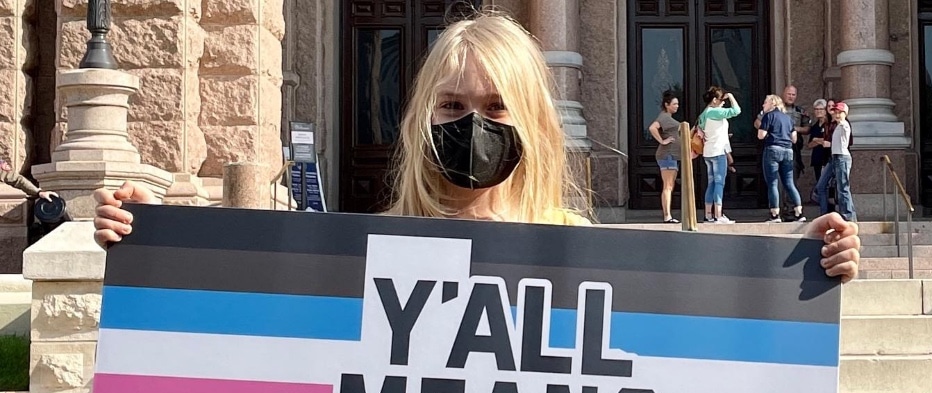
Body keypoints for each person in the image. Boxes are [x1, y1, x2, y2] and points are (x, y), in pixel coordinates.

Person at [94, 11, 861, 282]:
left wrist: (810, 264)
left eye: (496, 107)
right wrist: (153, 238)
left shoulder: (582, 253)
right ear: (421, 118)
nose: (472, 124)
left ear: (531, 121)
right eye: (452, 105)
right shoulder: (363, 249)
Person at [757, 94, 805, 223]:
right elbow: (794, 139)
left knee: (773, 183)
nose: (763, 105)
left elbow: (761, 135)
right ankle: (799, 213)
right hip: (788, 151)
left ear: (773, 103)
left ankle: (775, 214)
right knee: (789, 183)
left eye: (765, 102)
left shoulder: (768, 116)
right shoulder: (788, 118)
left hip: (773, 149)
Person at [697, 86, 740, 224]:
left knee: (711, 183)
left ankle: (708, 214)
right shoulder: (715, 112)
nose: (723, 103)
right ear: (715, 100)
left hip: (708, 152)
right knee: (719, 183)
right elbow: (736, 111)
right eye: (722, 100)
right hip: (718, 151)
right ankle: (718, 215)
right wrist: (732, 96)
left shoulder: (704, 114)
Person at [648, 91, 681, 223]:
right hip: (668, 155)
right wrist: (662, 141)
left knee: (670, 185)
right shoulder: (664, 117)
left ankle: (668, 215)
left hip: (672, 155)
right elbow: (652, 128)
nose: (677, 106)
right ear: (667, 105)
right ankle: (667, 216)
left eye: (677, 104)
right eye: (674, 104)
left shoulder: (667, 117)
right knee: (668, 186)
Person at [824, 101, 856, 222]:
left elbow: (844, 130)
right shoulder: (838, 125)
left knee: (843, 188)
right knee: (841, 187)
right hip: (837, 157)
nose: (837, 115)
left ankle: (848, 215)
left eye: (840, 112)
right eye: (836, 112)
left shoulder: (844, 125)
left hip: (842, 157)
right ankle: (849, 214)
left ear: (845, 113)